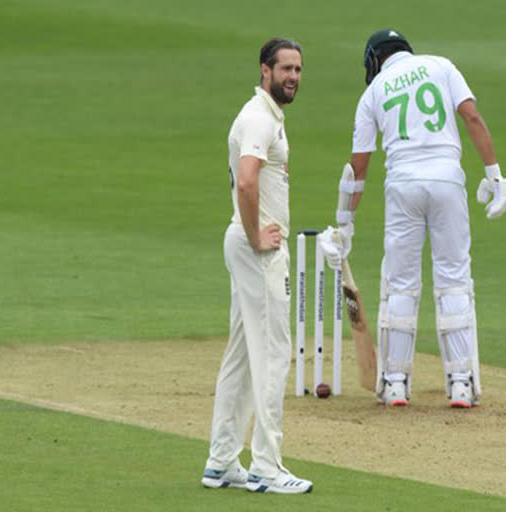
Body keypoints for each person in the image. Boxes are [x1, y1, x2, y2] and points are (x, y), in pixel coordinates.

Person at [321, 29, 506, 408]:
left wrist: (345, 224)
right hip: (447, 181)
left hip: (403, 185)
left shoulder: (373, 92)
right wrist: (495, 176)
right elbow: (471, 116)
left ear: (375, 61)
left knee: (400, 283)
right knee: (454, 277)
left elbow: (357, 168)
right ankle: (460, 383)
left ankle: (394, 383)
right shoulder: (442, 66)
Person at [200, 37, 312, 494]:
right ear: (265, 71)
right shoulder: (258, 118)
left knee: (243, 355)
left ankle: (222, 460)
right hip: (257, 250)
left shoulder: (268, 116)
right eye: (286, 69)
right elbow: (247, 180)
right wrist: (255, 234)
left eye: (299, 70)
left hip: (250, 247)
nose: (293, 77)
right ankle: (266, 466)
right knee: (270, 355)